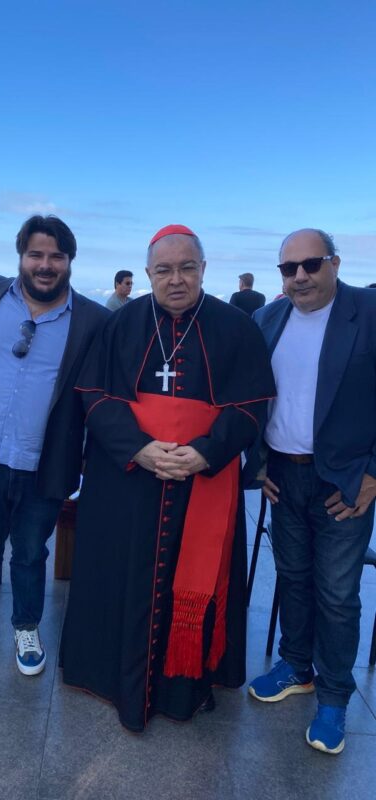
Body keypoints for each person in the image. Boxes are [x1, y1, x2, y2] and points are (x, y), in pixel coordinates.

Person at [61, 224, 275, 731]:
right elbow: (95, 395)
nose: (175, 279)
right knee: (120, 574)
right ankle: (114, 678)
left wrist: (205, 452)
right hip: (128, 478)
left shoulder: (236, 326)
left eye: (186, 268)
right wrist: (139, 448)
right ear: (148, 273)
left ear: (203, 269)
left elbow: (251, 404)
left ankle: (184, 689)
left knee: (192, 577)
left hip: (202, 478)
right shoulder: (120, 324)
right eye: (164, 270)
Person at [0, 215, 109, 675]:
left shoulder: (93, 319)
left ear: (70, 261)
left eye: (57, 255)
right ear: (21, 256)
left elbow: (104, 392)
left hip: (44, 463)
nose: (46, 264)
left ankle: (26, 626)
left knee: (32, 551)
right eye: (36, 254)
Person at [246, 229, 376, 754]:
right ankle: (296, 664)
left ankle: (335, 695)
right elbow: (252, 396)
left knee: (338, 595)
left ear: (334, 263)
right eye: (288, 268)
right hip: (284, 473)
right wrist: (256, 462)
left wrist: (374, 474)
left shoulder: (367, 312)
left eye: (310, 264)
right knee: (293, 578)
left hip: (344, 481)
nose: (299, 275)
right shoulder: (269, 319)